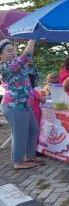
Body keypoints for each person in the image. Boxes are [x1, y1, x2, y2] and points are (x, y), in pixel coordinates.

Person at [0, 39, 43, 169]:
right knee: (20, 134)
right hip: (14, 106)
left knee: (33, 130)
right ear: (0, 55)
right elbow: (26, 55)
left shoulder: (15, 64)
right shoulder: (5, 66)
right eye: (9, 51)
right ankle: (18, 161)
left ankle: (30, 156)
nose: (13, 52)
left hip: (24, 105)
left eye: (13, 50)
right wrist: (32, 38)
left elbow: (27, 64)